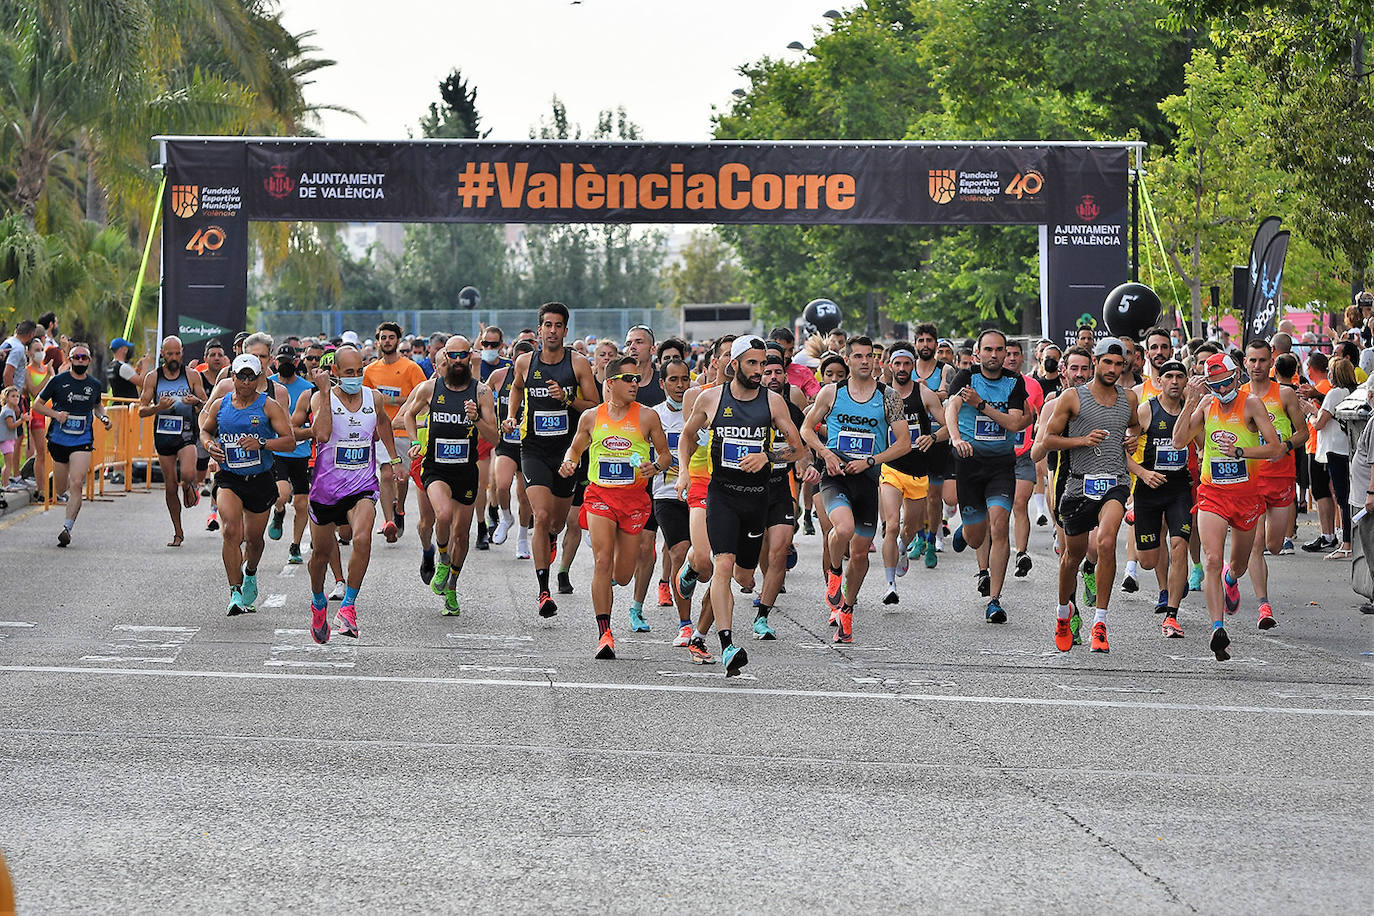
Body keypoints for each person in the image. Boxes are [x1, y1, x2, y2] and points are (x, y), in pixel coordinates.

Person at [677, 337, 806, 675]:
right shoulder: (711, 398)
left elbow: (798, 448)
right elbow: (687, 435)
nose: (759, 371)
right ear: (733, 364)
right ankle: (727, 645)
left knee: (744, 578)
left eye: (763, 365)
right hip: (722, 495)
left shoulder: (773, 402)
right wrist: (683, 474)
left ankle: (701, 633)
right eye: (752, 363)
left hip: (756, 499)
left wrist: (768, 455)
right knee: (722, 565)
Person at [1171, 353, 1284, 661]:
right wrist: (1191, 400)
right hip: (1212, 494)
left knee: (1238, 565)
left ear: (1237, 377)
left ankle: (1231, 579)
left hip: (1246, 497)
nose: (1220, 391)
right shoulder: (1205, 405)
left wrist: (1240, 452)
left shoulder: (1251, 404)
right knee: (1210, 558)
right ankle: (1217, 629)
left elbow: (1275, 448)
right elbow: (1179, 440)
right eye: (1214, 385)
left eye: (1224, 384)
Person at [800, 336, 911, 642]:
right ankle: (834, 572)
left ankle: (847, 610)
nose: (865, 361)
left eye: (870, 356)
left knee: (861, 554)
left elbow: (904, 443)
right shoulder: (831, 392)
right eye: (858, 356)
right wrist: (826, 453)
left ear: (876, 361)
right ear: (847, 360)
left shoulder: (888, 397)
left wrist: (871, 460)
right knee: (843, 530)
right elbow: (806, 429)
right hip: (835, 473)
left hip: (866, 477)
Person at [560, 355, 671, 658]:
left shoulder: (647, 416)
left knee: (622, 575)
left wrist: (655, 467)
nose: (636, 383)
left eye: (637, 378)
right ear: (610, 384)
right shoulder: (592, 417)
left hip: (634, 501)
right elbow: (575, 447)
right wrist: (569, 462)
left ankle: (608, 583)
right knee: (602, 560)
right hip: (600, 497)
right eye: (629, 379)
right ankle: (605, 634)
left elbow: (665, 455)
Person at [1033, 338, 1140, 654]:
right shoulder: (1072, 398)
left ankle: (1100, 623)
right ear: (1097, 362)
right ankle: (1063, 614)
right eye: (1107, 363)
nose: (1112, 369)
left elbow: (1134, 427)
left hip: (1116, 483)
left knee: (1106, 543)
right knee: (1072, 558)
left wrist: (1131, 442)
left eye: (1118, 364)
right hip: (1078, 485)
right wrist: (1081, 441)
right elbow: (1048, 441)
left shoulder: (1129, 399)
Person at [503, 303, 600, 618]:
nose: (553, 330)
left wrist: (568, 399)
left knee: (557, 522)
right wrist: (510, 415)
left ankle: (550, 541)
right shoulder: (524, 362)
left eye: (558, 325)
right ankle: (544, 591)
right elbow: (517, 388)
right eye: (547, 325)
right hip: (533, 449)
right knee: (541, 516)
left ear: (565, 330)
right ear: (539, 329)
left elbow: (594, 406)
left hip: (568, 451)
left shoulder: (579, 363)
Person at [304, 346, 403, 643]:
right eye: (349, 373)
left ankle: (348, 607)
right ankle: (319, 603)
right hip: (325, 492)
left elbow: (383, 422)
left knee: (362, 538)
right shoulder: (322, 397)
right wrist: (322, 393)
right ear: (335, 373)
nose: (355, 377)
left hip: (361, 486)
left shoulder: (374, 397)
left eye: (359, 371)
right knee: (320, 556)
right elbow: (321, 435)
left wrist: (394, 459)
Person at [403, 336, 500, 615]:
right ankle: (442, 558)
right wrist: (414, 442)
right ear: (445, 356)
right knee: (442, 516)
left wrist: (476, 419)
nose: (458, 361)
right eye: (453, 356)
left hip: (466, 470)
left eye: (462, 356)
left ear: (470, 356)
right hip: (436, 467)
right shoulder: (431, 387)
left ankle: (453, 587)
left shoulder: (481, 392)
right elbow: (408, 415)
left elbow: (493, 437)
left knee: (462, 534)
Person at [200, 354, 296, 615]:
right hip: (229, 478)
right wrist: (209, 446)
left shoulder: (269, 406)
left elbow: (289, 441)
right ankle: (235, 591)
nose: (245, 381)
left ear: (258, 378)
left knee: (254, 540)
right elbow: (206, 430)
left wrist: (262, 443)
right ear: (232, 377)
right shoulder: (221, 405)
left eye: (250, 377)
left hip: (260, 478)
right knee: (232, 531)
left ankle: (250, 572)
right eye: (240, 376)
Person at [945, 329, 1029, 623]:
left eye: (999, 350)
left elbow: (1016, 423)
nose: (994, 355)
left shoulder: (1014, 382)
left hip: (1000, 466)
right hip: (969, 465)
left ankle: (994, 600)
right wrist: (956, 439)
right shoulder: (966, 377)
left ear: (1006, 354)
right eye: (989, 350)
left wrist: (981, 405)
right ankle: (965, 531)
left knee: (999, 525)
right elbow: (951, 409)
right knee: (976, 534)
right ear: (978, 353)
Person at [1240, 339, 1307, 626]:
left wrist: (1286, 446)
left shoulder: (1286, 394)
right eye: (1252, 360)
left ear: (1272, 362)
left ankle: (1232, 574)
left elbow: (1303, 432)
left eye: (1262, 361)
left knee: (1275, 545)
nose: (1257, 366)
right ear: (1245, 363)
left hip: (1281, 476)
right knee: (1255, 545)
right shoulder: (1237, 395)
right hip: (1250, 478)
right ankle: (1263, 607)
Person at [1129, 360, 1196, 637]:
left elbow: (1204, 445)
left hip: (1179, 488)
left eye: (1180, 376)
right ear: (1159, 381)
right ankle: (1168, 581)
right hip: (1148, 489)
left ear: (1186, 380)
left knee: (1179, 544)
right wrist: (1143, 474)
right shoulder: (1146, 410)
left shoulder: (1191, 411)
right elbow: (1122, 452)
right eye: (1168, 376)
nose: (1175, 381)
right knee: (1147, 559)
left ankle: (1171, 614)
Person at [876, 342, 944, 604]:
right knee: (891, 525)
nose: (902, 369)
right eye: (897, 364)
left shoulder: (924, 394)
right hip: (891, 469)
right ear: (890, 366)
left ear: (912, 366)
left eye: (907, 364)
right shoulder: (881, 395)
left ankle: (903, 548)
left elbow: (948, 424)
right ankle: (890, 584)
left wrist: (934, 437)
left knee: (911, 528)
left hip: (918, 472)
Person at [30, 342, 111, 546]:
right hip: (58, 439)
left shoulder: (94, 385)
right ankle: (60, 492)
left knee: (76, 482)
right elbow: (37, 404)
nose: (80, 360)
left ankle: (67, 527)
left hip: (82, 439)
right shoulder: (58, 381)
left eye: (84, 357)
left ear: (89, 361)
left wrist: (104, 418)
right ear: (70, 359)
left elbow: (98, 406)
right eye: (77, 357)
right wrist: (56, 414)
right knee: (60, 488)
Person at [754, 348, 810, 633]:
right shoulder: (746, 407)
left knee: (779, 547)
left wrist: (804, 464)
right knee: (755, 553)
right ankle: (756, 581)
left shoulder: (792, 411)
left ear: (786, 377)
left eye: (778, 373)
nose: (773, 377)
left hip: (779, 486)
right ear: (759, 376)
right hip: (748, 488)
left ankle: (763, 615)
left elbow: (802, 445)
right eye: (768, 373)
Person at [650, 358, 705, 646]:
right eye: (673, 380)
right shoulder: (653, 416)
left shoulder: (703, 411)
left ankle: (691, 576)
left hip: (705, 493)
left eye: (685, 379)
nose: (680, 385)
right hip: (668, 493)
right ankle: (685, 624)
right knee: (679, 551)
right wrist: (655, 465)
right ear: (662, 383)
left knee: (706, 563)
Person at [137, 335, 206, 547]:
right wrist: (158, 408)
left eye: (177, 353)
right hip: (164, 434)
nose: (174, 358)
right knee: (169, 486)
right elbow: (141, 410)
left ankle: (189, 486)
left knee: (186, 474)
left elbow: (205, 404)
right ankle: (178, 531)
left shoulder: (192, 376)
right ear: (162, 354)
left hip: (186, 432)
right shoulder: (153, 378)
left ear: (182, 352)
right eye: (170, 354)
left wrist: (196, 402)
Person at [363, 321, 427, 542]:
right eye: (383, 338)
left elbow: (422, 397)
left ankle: (399, 510)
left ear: (398, 341)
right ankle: (389, 520)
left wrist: (392, 399)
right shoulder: (370, 370)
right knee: (387, 474)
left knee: (403, 478)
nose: (387, 341)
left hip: (405, 431)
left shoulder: (411, 368)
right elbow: (364, 399)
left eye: (391, 337)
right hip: (381, 431)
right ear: (378, 341)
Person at [268, 344, 315, 563]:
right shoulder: (270, 386)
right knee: (282, 494)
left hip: (302, 451)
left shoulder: (307, 389)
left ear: (297, 363)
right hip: (278, 450)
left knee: (301, 503)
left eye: (289, 361)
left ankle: (295, 545)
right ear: (275, 362)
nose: (285, 365)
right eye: (281, 361)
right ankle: (278, 512)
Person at [1311, 356, 1358, 561]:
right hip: (1350, 448)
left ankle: (1346, 543)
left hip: (1335, 449)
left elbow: (1319, 423)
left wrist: (1310, 414)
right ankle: (1350, 541)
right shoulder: (1355, 392)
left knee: (1342, 496)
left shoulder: (1334, 393)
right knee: (1350, 495)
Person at [1004, 340, 1044, 579]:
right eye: (1007, 354)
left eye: (1015, 354)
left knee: (1019, 503)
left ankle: (1021, 553)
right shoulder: (992, 384)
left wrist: (1039, 431)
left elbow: (1042, 415)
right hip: (996, 456)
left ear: (1022, 358)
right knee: (998, 510)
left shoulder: (1033, 386)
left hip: (1023, 456)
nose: (1010, 358)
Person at [0, 387, 26, 489]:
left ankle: (6, 483)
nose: (16, 398)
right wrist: (21, 420)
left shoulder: (8, 410)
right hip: (6, 440)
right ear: (6, 398)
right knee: (8, 463)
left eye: (17, 396)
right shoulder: (8, 412)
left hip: (8, 439)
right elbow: (11, 426)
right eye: (13, 396)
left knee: (8, 463)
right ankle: (6, 485)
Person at [2, 320, 36, 390]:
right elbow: (7, 374)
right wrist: (11, 396)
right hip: (10, 396)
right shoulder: (18, 349)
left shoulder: (9, 341)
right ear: (31, 334)